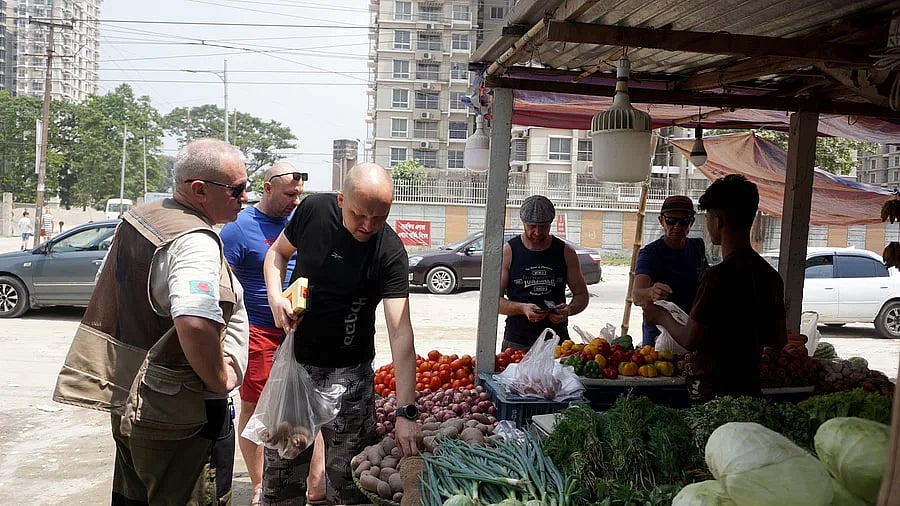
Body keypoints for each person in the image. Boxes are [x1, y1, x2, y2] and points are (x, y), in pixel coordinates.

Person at [52, 138, 250, 505]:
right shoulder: (195, 241)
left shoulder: (142, 217)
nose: (245, 198)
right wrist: (219, 378)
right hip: (181, 409)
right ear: (200, 190)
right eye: (237, 189)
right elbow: (194, 320)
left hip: (131, 395)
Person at [262, 162, 422, 504]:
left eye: (379, 218)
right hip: (296, 367)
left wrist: (407, 411)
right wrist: (276, 297)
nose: (368, 226)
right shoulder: (314, 211)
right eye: (359, 215)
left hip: (350, 378)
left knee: (349, 483)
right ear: (340, 200)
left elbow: (400, 331)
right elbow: (277, 254)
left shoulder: (389, 252)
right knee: (281, 478)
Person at [220, 162, 325, 506]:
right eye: (289, 194)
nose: (296, 201)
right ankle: (258, 484)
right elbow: (223, 281)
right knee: (256, 406)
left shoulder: (301, 222)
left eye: (299, 194)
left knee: (311, 406)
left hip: (300, 331)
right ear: (267, 188)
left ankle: (315, 482)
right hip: (259, 331)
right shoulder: (240, 227)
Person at [641, 174, 787, 400]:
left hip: (714, 393)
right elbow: (779, 340)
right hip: (751, 389)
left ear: (717, 221)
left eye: (707, 218)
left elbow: (690, 339)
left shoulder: (717, 277)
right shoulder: (771, 276)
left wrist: (660, 316)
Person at [499, 194, 589, 351]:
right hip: (517, 342)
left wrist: (569, 310)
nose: (538, 232)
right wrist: (522, 308)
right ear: (523, 222)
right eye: (532, 226)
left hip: (557, 341)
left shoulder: (565, 252)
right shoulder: (509, 252)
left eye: (543, 226)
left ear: (551, 223)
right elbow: (494, 302)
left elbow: (582, 296)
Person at [632, 195, 709, 347]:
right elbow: (636, 295)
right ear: (661, 221)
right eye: (671, 221)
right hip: (659, 335)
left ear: (691, 222)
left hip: (690, 330)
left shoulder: (697, 247)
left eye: (684, 221)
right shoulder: (649, 253)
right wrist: (651, 292)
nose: (677, 226)